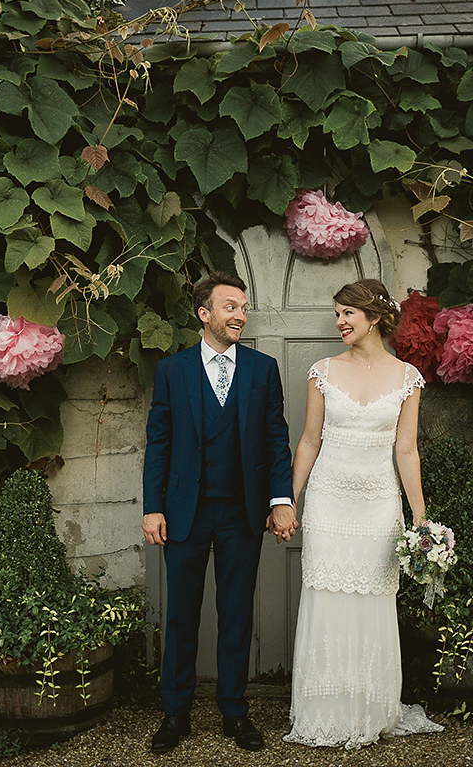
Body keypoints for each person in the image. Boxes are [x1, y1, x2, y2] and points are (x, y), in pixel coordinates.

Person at [283, 278, 444, 749]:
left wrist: (419, 517)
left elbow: (407, 449)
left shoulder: (407, 377)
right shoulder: (323, 371)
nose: (339, 323)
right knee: (327, 599)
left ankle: (370, 708)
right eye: (337, 314)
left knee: (372, 603)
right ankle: (324, 712)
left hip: (377, 506)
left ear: (374, 317)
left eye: (347, 314)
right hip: (329, 501)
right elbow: (309, 440)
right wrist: (290, 500)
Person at [141, 272, 298, 754]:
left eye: (243, 307)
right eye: (230, 306)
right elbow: (159, 444)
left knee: (235, 615)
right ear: (204, 314)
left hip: (242, 514)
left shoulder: (262, 368)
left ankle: (235, 712)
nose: (240, 315)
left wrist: (281, 499)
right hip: (184, 512)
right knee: (182, 617)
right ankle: (176, 714)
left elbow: (276, 438)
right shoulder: (173, 370)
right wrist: (153, 508)